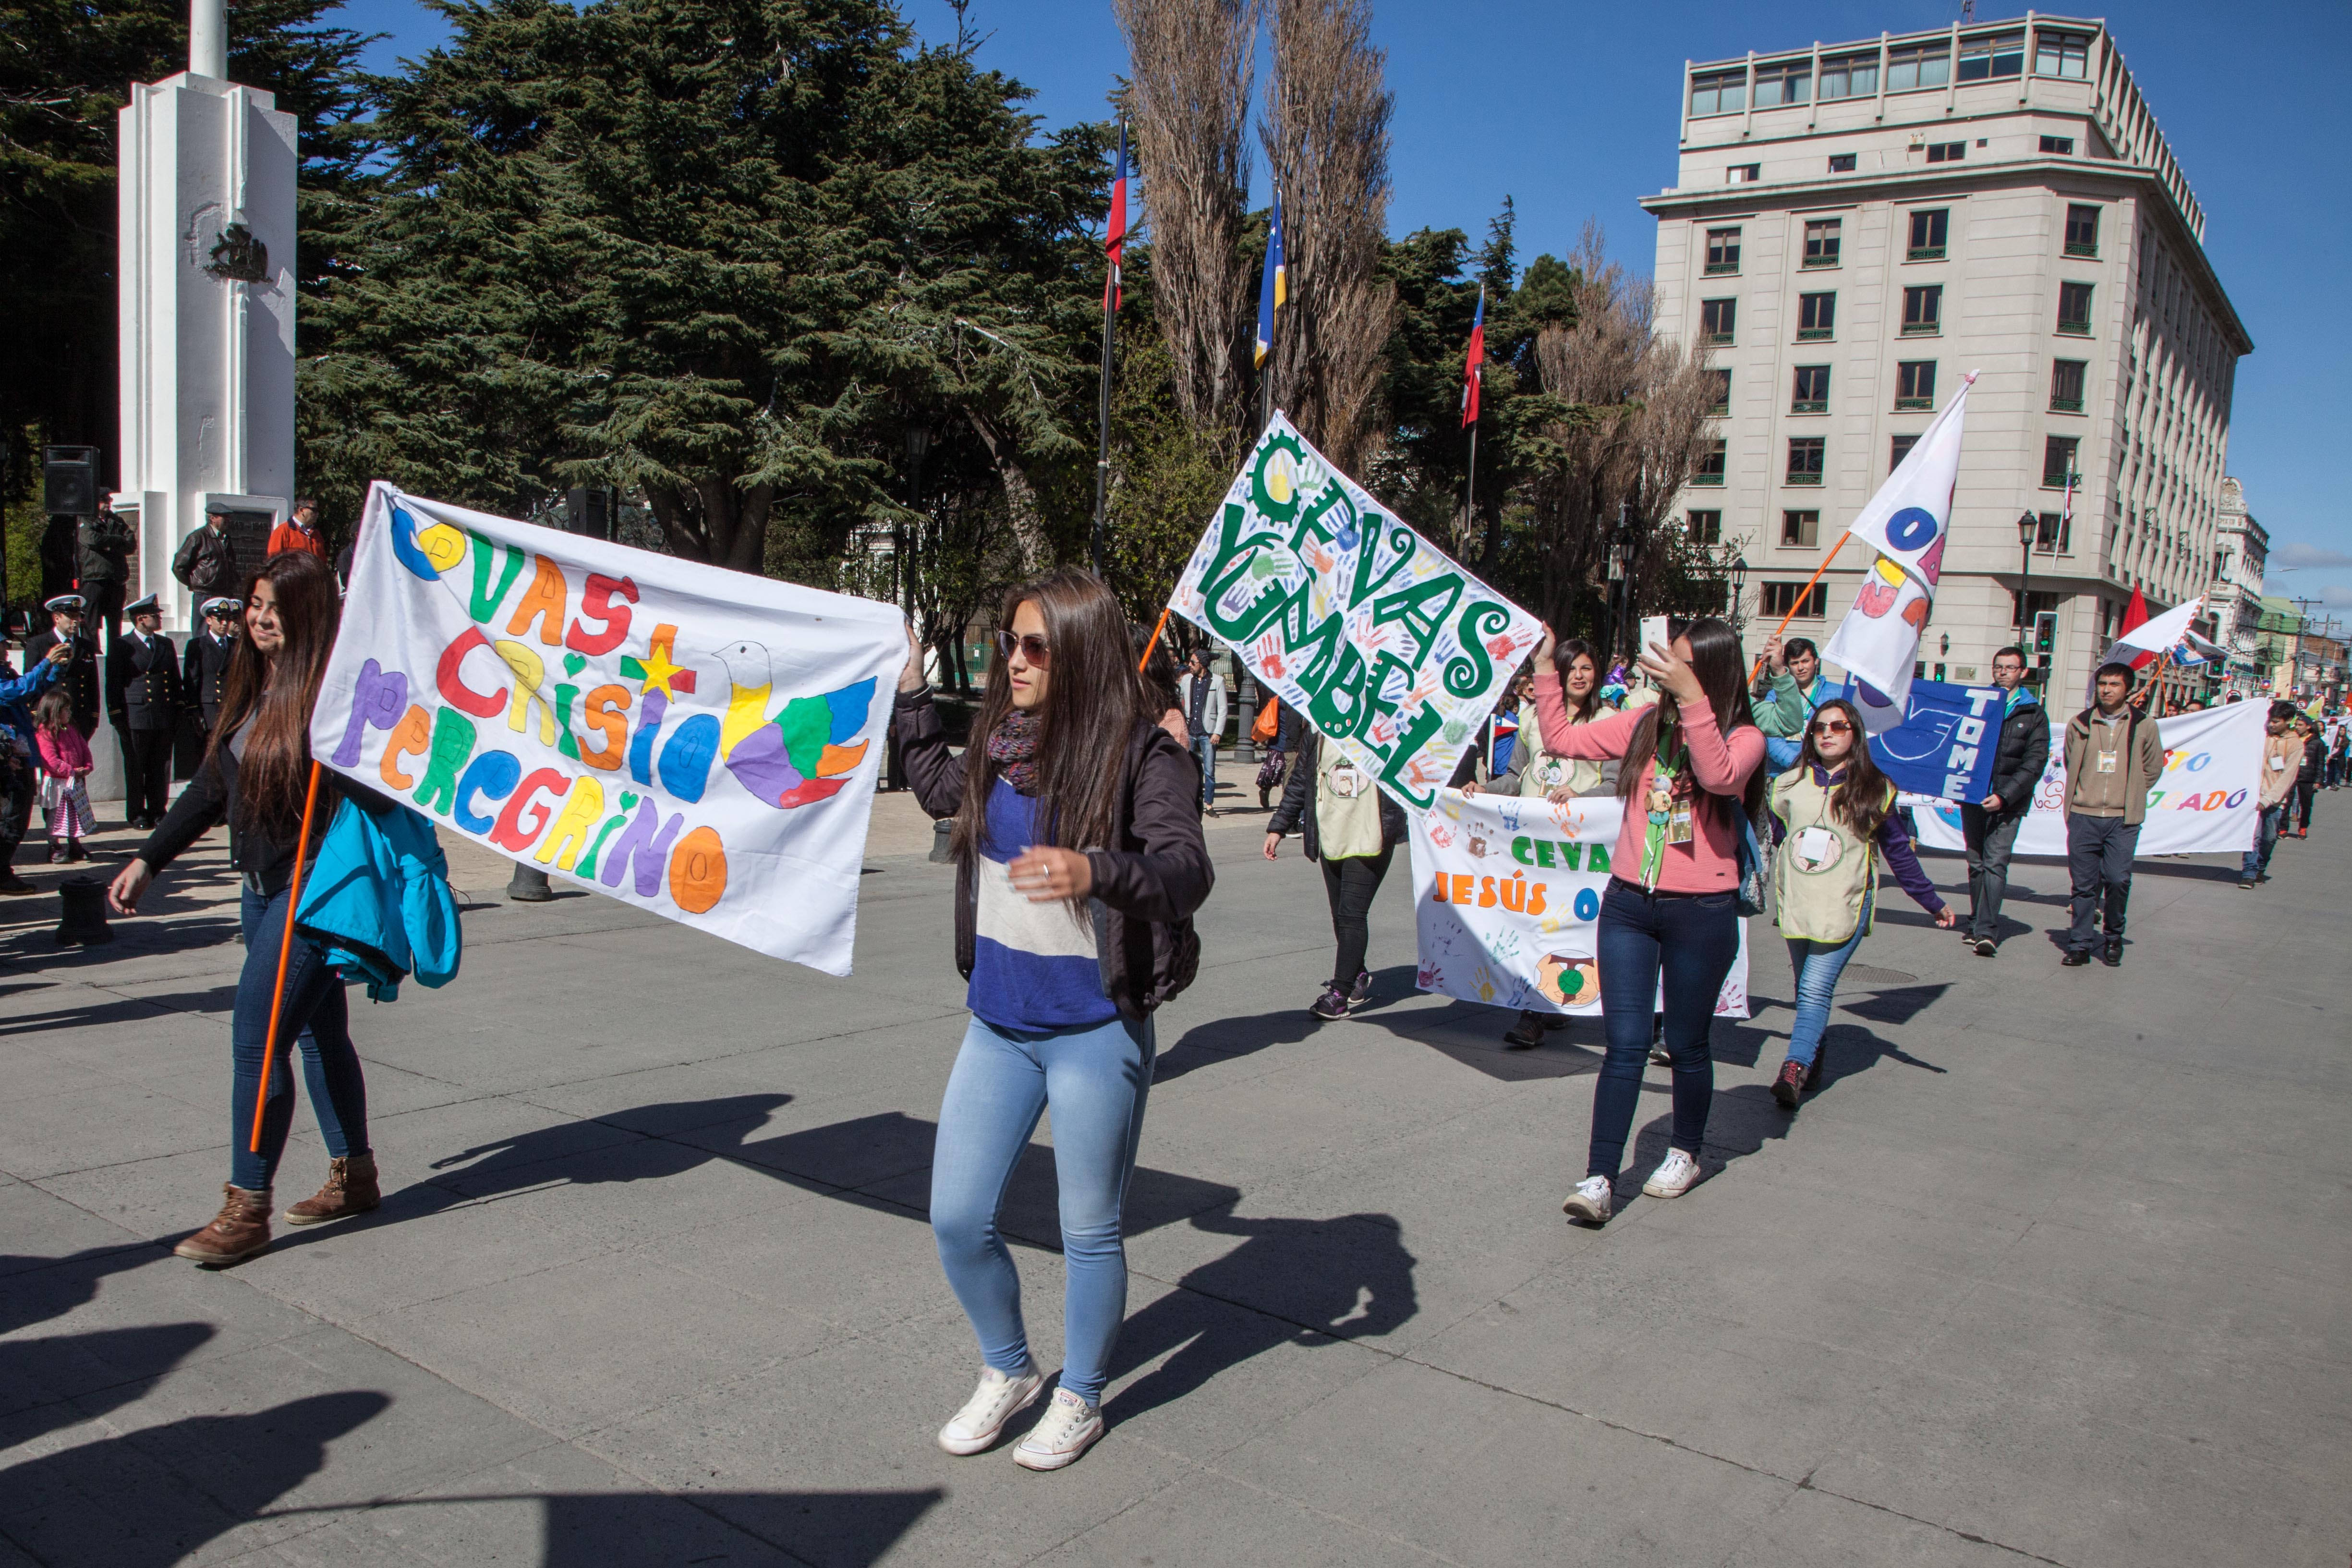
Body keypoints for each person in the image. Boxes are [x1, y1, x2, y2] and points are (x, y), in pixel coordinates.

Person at [895, 569, 1212, 1473]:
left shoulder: (1144, 754)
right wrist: (912, 694)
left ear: (1079, 653)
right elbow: (939, 791)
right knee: (957, 1218)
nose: (1016, 661)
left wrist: (1095, 870)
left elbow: (1186, 871)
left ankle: (1081, 1395)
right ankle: (1009, 1368)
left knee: (1089, 1230)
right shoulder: (1002, 742)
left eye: (1036, 646)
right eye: (1011, 642)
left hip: (1093, 1030)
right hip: (998, 1025)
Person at [108, 552, 397, 1267]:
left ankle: (247, 1207)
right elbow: (211, 786)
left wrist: (347, 751)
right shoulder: (253, 682)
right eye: (256, 604)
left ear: (309, 615)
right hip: (259, 888)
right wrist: (149, 858)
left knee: (257, 1041)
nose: (261, 618)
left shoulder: (333, 695)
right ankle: (355, 1173)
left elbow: (385, 794)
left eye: (277, 607)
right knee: (319, 1036)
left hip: (311, 887)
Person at [1531, 618, 1765, 1225]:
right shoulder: (1642, 724)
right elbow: (1558, 737)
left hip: (1701, 912)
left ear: (1708, 671)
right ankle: (1599, 1177)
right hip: (1628, 906)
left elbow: (1716, 776)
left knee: (1685, 1043)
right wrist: (1544, 664)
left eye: (1679, 663)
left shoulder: (1742, 736)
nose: (1664, 670)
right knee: (1624, 1045)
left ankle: (1685, 1151)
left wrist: (1692, 703)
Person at [1766, 697, 1956, 1106]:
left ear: (1855, 733)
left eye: (1838, 726)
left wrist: (1932, 901)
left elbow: (1899, 852)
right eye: (1819, 727)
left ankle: (1793, 1068)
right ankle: (1812, 1057)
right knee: (1805, 989)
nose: (1827, 734)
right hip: (1799, 903)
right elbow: (1782, 837)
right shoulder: (1788, 784)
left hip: (1845, 904)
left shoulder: (1875, 788)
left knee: (1815, 988)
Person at [1460, 638, 1617, 1049]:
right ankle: (1535, 1011)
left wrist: (1582, 798)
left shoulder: (1610, 720)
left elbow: (1618, 783)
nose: (1579, 676)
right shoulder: (1531, 716)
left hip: (1577, 847)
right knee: (1535, 924)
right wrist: (1486, 789)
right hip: (1530, 844)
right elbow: (1516, 776)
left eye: (1587, 667)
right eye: (1571, 669)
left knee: (1570, 926)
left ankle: (1556, 1002)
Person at [1265, 717, 1408, 1021]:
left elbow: (1416, 769)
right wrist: (1279, 826)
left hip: (1371, 834)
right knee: (1340, 914)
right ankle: (1357, 973)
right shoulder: (1318, 730)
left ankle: (1340, 994)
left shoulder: (1385, 725)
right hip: (1331, 833)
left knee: (1352, 914)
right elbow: (1300, 781)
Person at [2060, 661, 2168, 968]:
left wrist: (2131, 792)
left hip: (2123, 819)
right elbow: (2070, 761)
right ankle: (2080, 943)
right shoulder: (2080, 723)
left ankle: (2113, 936)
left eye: (2114, 685)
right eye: (2103, 684)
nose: (2106, 690)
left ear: (2128, 690)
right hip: (2083, 814)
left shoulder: (2144, 725)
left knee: (2118, 879)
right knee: (2083, 885)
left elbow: (2153, 767)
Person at [1959, 646, 2049, 957]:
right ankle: (1975, 921)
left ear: (2023, 672)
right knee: (1976, 863)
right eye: (1998, 667)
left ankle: (1986, 931)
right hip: (1974, 797)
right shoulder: (1978, 703)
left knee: (1995, 863)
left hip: (2009, 802)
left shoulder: (2033, 713)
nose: (2003, 673)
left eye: (2010, 668)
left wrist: (2005, 796)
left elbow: (2034, 763)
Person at [0, 641, 72, 892]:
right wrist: (46, 662)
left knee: (18, 817)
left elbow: (33, 690)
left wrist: (56, 668)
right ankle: (1, 873)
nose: (6, 648)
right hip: (7, 758)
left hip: (19, 753)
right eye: (1, 644)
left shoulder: (5, 670)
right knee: (11, 818)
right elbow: (16, 692)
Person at [107, 593, 182, 830]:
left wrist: (179, 709)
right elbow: (114, 684)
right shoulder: (123, 645)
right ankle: (137, 812)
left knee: (160, 766)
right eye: (154, 616)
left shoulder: (165, 644)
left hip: (163, 713)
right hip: (136, 715)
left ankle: (158, 810)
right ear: (140, 619)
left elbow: (174, 679)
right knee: (136, 766)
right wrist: (116, 715)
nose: (159, 619)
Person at [1753, 634, 1840, 772]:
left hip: (1827, 771)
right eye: (1795, 663)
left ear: (1816, 661)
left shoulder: (1838, 693)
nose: (1801, 668)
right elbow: (1770, 738)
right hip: (1784, 772)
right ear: (1787, 665)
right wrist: (1799, 763)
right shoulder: (1774, 695)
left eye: (1805, 661)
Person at [2240, 701, 2302, 889]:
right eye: (2270, 721)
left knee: (2269, 838)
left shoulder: (2296, 745)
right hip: (2253, 796)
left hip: (2275, 801)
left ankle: (2260, 867)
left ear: (2288, 721)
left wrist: (2269, 799)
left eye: (2276, 722)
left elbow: (2288, 776)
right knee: (2253, 836)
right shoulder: (2262, 736)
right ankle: (2249, 873)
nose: (2271, 725)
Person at [24, 594, 101, 738]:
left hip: (80, 717)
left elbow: (92, 684)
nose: (75, 621)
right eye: (70, 616)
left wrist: (93, 717)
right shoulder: (38, 644)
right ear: (57, 618)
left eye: (78, 616)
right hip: (50, 716)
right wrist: (35, 714)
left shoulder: (86, 646)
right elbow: (32, 681)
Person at [32, 689, 97, 862]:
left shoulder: (71, 729)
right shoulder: (46, 733)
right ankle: (54, 846)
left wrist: (88, 766)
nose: (70, 713)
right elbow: (51, 760)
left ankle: (75, 845)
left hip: (74, 781)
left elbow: (84, 748)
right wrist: (71, 771)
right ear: (54, 711)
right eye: (66, 709)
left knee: (75, 814)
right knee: (55, 816)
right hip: (57, 783)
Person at [1176, 648, 1226, 814]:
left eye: (1193, 662)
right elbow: (1178, 699)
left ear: (1202, 664)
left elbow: (1223, 709)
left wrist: (1218, 732)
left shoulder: (1217, 681)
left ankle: (1209, 804)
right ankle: (1186, 801)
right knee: (1185, 767)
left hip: (1208, 733)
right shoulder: (1187, 680)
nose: (1189, 665)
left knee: (1209, 770)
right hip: (1190, 731)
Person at [76, 508, 135, 643]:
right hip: (94, 578)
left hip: (116, 579)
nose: (107, 502)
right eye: (104, 499)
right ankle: (91, 652)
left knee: (115, 627)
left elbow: (131, 544)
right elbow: (92, 540)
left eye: (109, 499)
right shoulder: (86, 519)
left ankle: (115, 654)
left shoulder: (117, 521)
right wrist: (118, 540)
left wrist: (107, 546)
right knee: (91, 625)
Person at [184, 596, 241, 734]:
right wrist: (194, 710)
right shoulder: (198, 645)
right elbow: (193, 680)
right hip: (209, 711)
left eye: (228, 619)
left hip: (231, 711)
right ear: (209, 620)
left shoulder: (237, 646)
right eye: (220, 619)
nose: (224, 623)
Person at [173, 500, 242, 601]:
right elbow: (179, 567)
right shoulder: (197, 537)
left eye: (229, 517)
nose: (228, 520)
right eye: (225, 517)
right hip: (205, 595)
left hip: (225, 594)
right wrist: (194, 584)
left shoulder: (226, 539)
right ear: (213, 519)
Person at [268, 497, 331, 561]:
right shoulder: (283, 530)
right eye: (314, 510)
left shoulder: (316, 533)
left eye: (318, 511)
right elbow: (274, 559)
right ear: (302, 510)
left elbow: (323, 560)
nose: (317, 514)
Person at [2290, 715, 2321, 836]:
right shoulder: (2292, 739)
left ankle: (2303, 828)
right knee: (2286, 803)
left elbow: (2320, 763)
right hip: (2291, 775)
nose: (2297, 727)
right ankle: (2283, 829)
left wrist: (2318, 780)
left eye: (2300, 725)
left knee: (2306, 805)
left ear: (2308, 727)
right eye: (2296, 725)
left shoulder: (2317, 742)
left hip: (2307, 777)